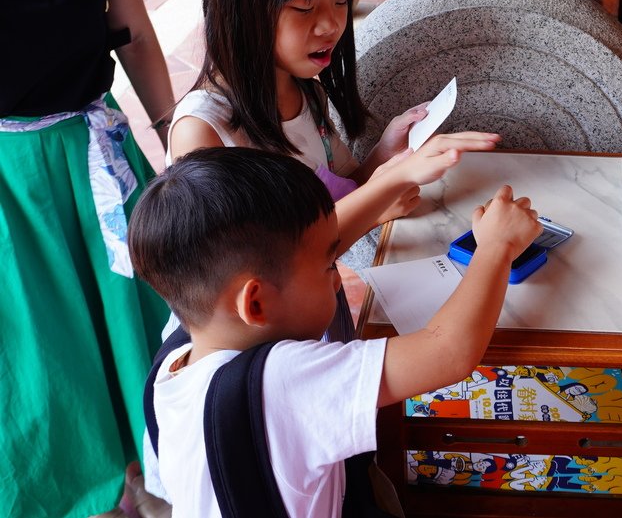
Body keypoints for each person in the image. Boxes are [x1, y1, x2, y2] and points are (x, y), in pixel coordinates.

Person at [128, 146, 542, 516]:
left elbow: (295, 256)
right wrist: (496, 247)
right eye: (330, 266)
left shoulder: (180, 351)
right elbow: (448, 352)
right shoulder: (282, 381)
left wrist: (390, 186)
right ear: (255, 303)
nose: (337, 278)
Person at [0, 0, 175, 516]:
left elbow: (132, 30)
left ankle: (144, 486)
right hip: (9, 189)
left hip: (96, 160)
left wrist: (176, 142)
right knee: (39, 373)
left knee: (141, 344)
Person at [166, 0, 432, 257]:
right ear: (240, 9)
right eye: (305, 7)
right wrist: (373, 207)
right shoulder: (204, 131)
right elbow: (255, 270)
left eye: (341, 1)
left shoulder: (308, 94)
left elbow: (341, 191)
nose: (331, 24)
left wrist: (385, 153)